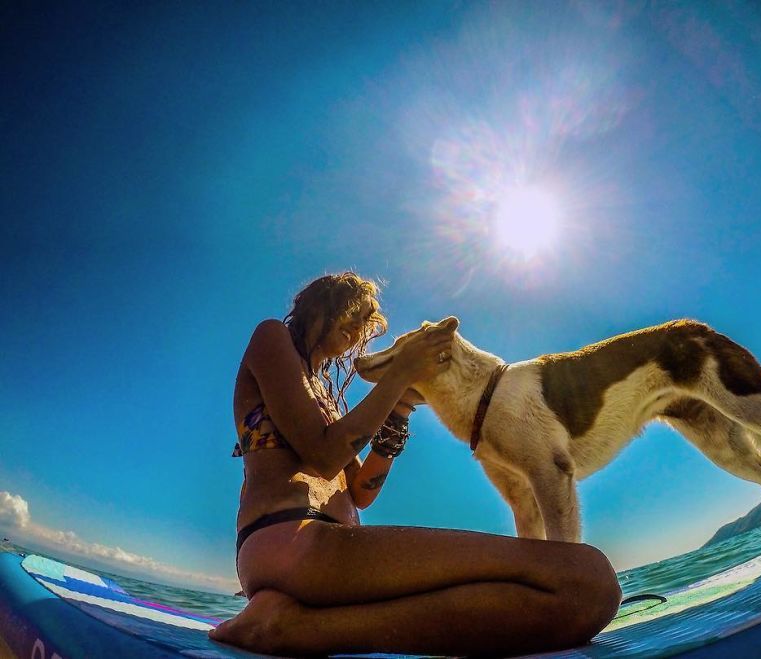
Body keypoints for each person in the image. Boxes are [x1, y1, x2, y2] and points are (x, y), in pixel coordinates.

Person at [209, 272, 621, 656]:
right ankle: (291, 628)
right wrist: (401, 372)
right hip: (291, 538)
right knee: (585, 578)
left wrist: (400, 412)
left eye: (364, 324)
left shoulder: (327, 401)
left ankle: (290, 619)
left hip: (331, 559)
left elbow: (361, 492)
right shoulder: (272, 336)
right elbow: (324, 456)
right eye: (350, 313)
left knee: (579, 592)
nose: (356, 331)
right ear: (317, 305)